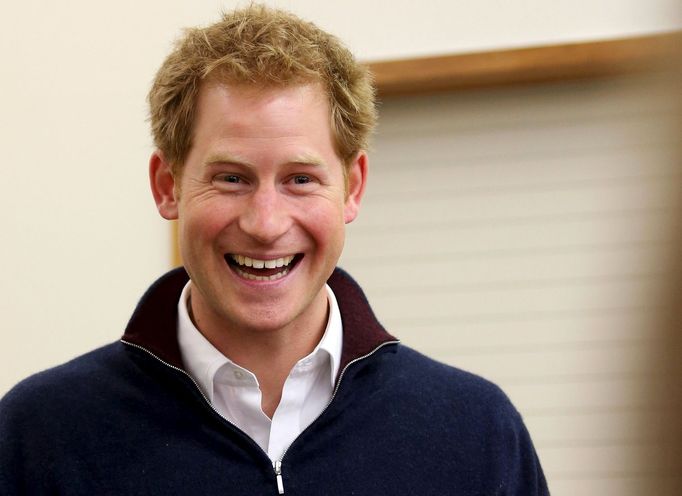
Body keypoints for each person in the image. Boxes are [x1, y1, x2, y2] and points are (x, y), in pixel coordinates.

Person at [0, 5, 549, 495]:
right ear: (168, 185)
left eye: (300, 180)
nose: (265, 225)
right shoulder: (36, 436)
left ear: (352, 187)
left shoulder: (475, 432)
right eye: (232, 178)